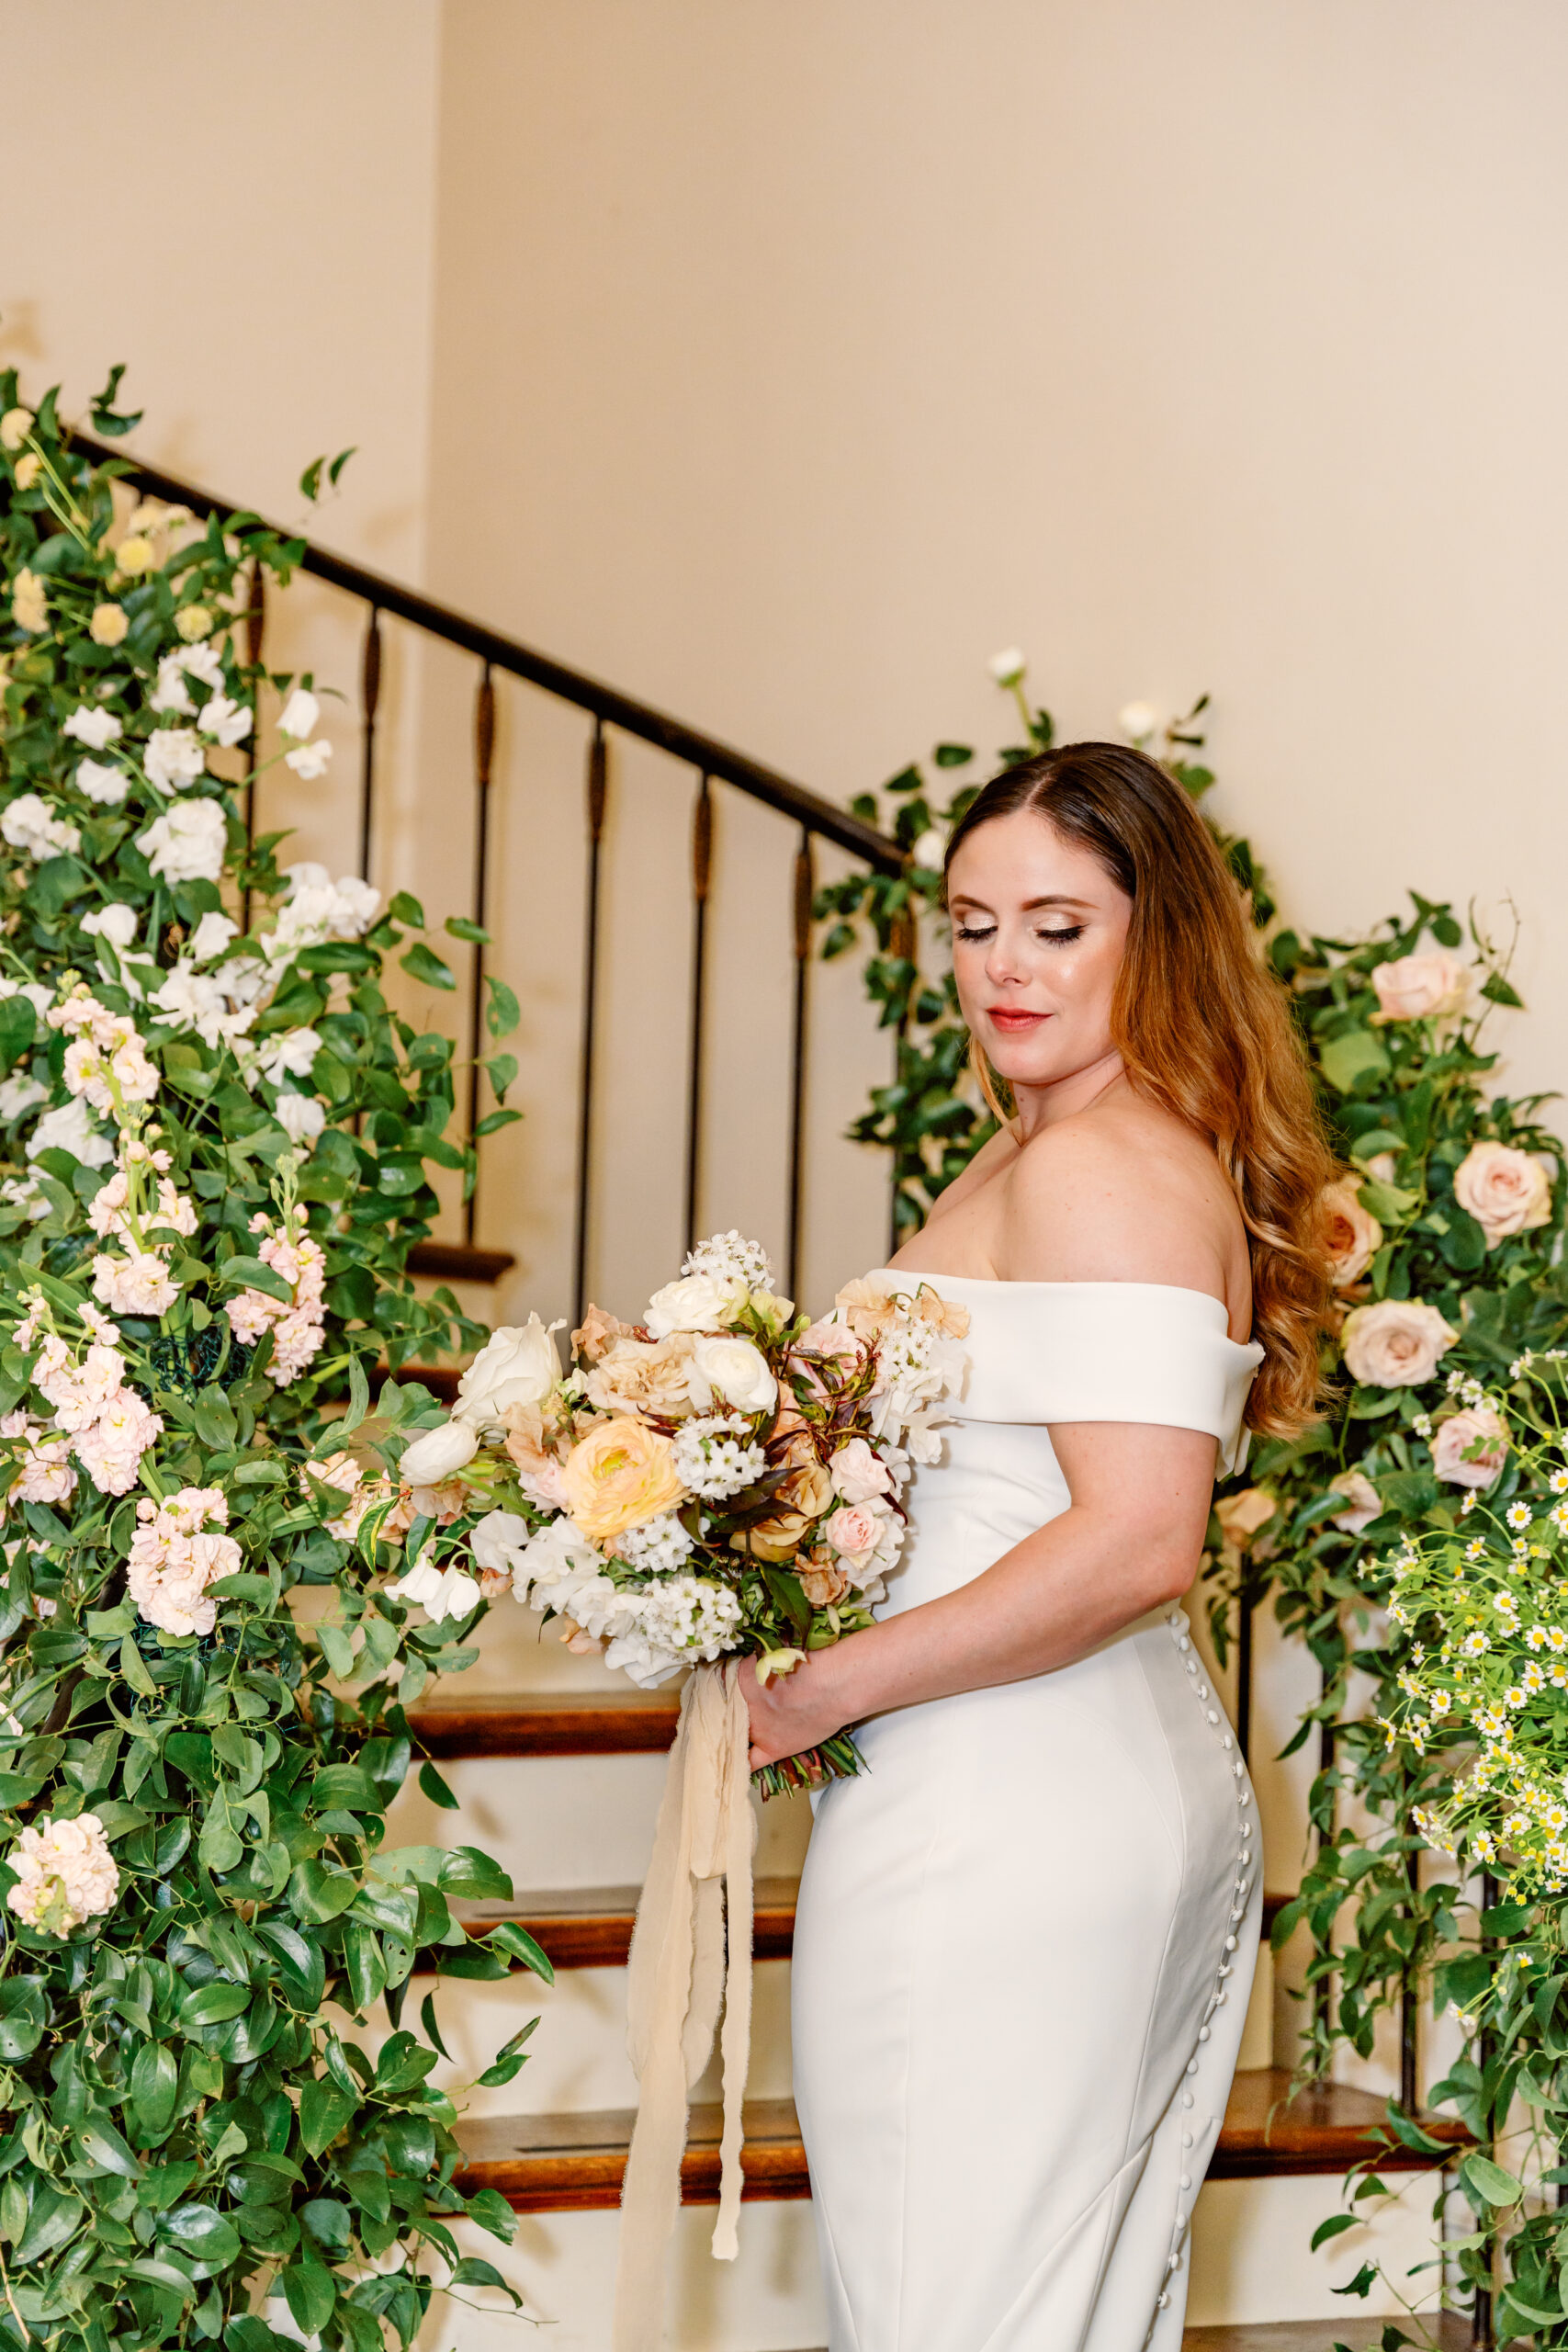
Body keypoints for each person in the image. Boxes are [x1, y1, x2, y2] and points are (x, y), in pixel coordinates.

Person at [741, 742, 1332, 2352]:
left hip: (1006, 1810)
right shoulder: (1043, 1142)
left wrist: (814, 1691)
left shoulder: (1099, 1164)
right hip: (1013, 1773)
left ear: (1157, 936)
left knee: (959, 2305)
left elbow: (1141, 1539)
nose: (1004, 965)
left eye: (1059, 926)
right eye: (973, 919)